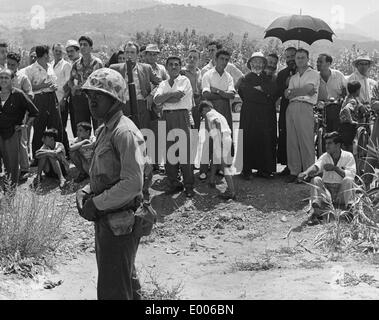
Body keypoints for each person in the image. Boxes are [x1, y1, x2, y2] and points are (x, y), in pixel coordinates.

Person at [76, 67, 147, 300]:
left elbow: (133, 183)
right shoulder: (105, 129)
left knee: (113, 290)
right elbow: (104, 172)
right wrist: (86, 190)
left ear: (115, 99)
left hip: (120, 220)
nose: (91, 101)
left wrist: (96, 203)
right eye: (89, 96)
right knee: (123, 282)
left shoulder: (124, 132)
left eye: (98, 95)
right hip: (108, 220)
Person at [153, 56, 195, 197]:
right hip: (166, 117)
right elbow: (156, 100)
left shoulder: (184, 80)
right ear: (166, 67)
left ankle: (189, 185)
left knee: (184, 151)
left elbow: (179, 98)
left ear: (180, 67)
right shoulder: (163, 83)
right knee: (169, 150)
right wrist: (170, 95)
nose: (174, 67)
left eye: (176, 64)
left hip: (181, 116)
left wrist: (165, 98)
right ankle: (174, 183)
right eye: (170, 64)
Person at [298, 132, 356, 224]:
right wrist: (306, 173)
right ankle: (316, 214)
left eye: (330, 143)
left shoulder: (348, 156)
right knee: (316, 179)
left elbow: (351, 175)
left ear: (338, 145)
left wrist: (335, 168)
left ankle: (350, 211)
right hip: (327, 194)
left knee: (348, 180)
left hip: (341, 194)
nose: (327, 146)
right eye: (326, 143)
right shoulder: (325, 156)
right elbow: (316, 166)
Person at [237, 52, 278, 179]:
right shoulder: (245, 78)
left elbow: (273, 93)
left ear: (264, 64)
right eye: (255, 62)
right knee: (248, 139)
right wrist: (263, 93)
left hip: (264, 114)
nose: (257, 65)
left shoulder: (269, 78)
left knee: (264, 140)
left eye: (260, 62)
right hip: (249, 113)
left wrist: (263, 91)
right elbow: (246, 94)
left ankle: (263, 169)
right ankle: (246, 170)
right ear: (250, 64)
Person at [284, 48, 320, 183]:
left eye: (302, 57)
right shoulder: (293, 77)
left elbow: (309, 90)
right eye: (297, 58)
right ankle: (294, 171)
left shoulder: (313, 74)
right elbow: (286, 95)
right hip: (291, 107)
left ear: (307, 59)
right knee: (292, 141)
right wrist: (297, 92)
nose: (299, 60)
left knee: (306, 140)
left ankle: (308, 172)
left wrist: (293, 91)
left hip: (305, 107)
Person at [24, 45, 63, 162]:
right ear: (45, 54)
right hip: (39, 99)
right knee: (39, 127)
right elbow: (29, 87)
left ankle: (57, 154)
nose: (49, 56)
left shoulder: (50, 66)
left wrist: (53, 86)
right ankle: (37, 156)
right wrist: (44, 85)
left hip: (52, 97)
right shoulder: (30, 69)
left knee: (55, 125)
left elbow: (53, 81)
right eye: (48, 54)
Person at [201, 49, 236, 181]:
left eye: (227, 60)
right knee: (209, 139)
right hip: (211, 111)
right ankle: (204, 170)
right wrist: (223, 94)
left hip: (225, 111)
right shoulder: (208, 75)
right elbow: (205, 94)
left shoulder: (228, 77)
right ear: (216, 59)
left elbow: (232, 95)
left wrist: (215, 91)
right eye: (222, 59)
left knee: (224, 138)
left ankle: (222, 167)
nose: (224, 62)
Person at [109, 41, 162, 130]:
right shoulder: (114, 68)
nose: (129, 55)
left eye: (132, 52)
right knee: (125, 133)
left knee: (143, 134)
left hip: (141, 105)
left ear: (137, 55)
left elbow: (160, 83)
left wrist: (151, 95)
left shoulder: (146, 68)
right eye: (127, 52)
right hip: (122, 106)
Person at [0, 68, 39, 187]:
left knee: (11, 164)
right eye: (1, 77)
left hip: (11, 133)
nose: (3, 80)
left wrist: (24, 125)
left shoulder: (18, 94)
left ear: (12, 80)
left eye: (6, 77)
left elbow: (34, 112)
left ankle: (11, 191)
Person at [6, 52, 34, 182]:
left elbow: (30, 94)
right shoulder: (3, 76)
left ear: (18, 64)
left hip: (19, 114)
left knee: (21, 141)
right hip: (5, 115)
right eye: (8, 64)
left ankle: (24, 169)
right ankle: (8, 168)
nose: (10, 66)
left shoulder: (22, 78)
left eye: (13, 64)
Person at [199, 101, 235, 200]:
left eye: (202, 113)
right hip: (227, 138)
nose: (203, 116)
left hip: (221, 139)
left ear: (205, 108)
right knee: (215, 160)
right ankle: (211, 181)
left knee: (224, 167)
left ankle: (232, 192)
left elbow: (217, 123)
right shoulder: (219, 113)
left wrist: (219, 139)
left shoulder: (209, 113)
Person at [68, 35, 103, 132]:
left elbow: (101, 82)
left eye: (85, 45)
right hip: (80, 99)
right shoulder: (76, 64)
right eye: (81, 45)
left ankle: (98, 146)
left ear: (91, 48)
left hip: (94, 98)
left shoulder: (97, 63)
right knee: (82, 127)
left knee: (98, 127)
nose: (82, 47)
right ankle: (83, 146)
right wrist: (73, 87)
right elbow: (70, 80)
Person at [276, 47, 297, 176]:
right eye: (287, 57)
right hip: (285, 107)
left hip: (300, 108)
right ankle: (288, 165)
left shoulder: (306, 71)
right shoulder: (283, 73)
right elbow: (278, 91)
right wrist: (286, 83)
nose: (290, 59)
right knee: (285, 135)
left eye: (292, 56)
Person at [52, 43, 72, 156]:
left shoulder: (66, 65)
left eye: (60, 51)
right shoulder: (50, 65)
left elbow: (68, 84)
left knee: (61, 126)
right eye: (56, 50)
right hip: (51, 101)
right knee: (54, 127)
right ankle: (57, 150)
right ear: (52, 51)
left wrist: (64, 99)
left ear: (63, 52)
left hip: (61, 100)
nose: (58, 52)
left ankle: (67, 151)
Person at [62, 40, 81, 138]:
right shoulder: (71, 64)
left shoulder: (81, 64)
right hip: (73, 100)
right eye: (68, 51)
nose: (69, 54)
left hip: (83, 99)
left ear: (78, 51)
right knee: (75, 126)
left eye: (72, 51)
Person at [181, 48, 202, 130]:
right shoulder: (181, 72)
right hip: (186, 105)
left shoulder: (200, 72)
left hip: (197, 105)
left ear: (199, 60)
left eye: (195, 58)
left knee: (196, 129)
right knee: (185, 130)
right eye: (190, 57)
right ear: (187, 58)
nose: (192, 59)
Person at [339, 81, 362, 153]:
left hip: (343, 126)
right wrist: (351, 120)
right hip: (349, 126)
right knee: (350, 149)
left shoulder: (347, 98)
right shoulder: (352, 101)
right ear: (357, 90)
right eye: (359, 90)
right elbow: (346, 109)